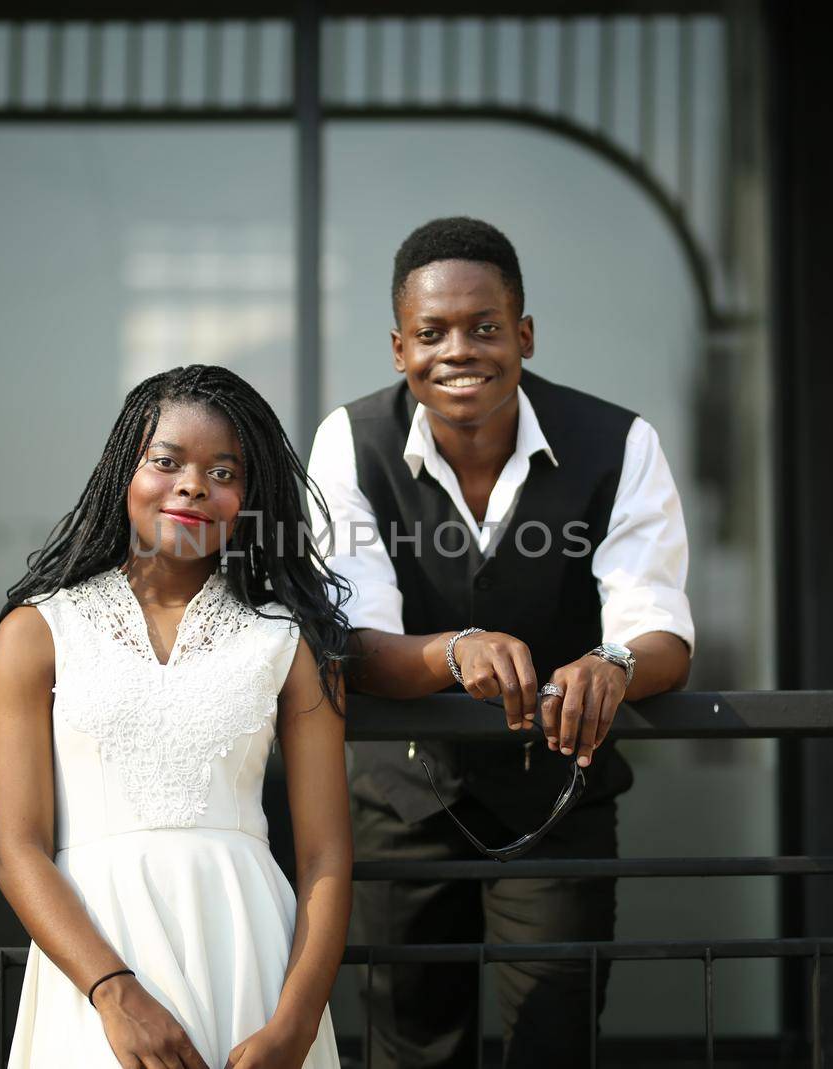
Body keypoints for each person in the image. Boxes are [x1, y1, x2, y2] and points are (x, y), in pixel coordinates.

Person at [306, 217, 695, 1068]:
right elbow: (352, 642)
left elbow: (661, 628)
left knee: (555, 1043)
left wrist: (614, 663)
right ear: (399, 346)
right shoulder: (348, 443)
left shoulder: (620, 444)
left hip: (557, 799)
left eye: (485, 327)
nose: (460, 350)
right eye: (433, 332)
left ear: (523, 333)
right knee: (408, 1050)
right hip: (399, 800)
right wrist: (454, 650)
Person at [0, 364, 352, 1068]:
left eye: (224, 471)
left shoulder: (287, 640)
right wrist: (113, 991)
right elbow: (18, 848)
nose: (193, 484)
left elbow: (325, 856)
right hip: (91, 964)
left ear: (250, 498)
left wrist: (296, 1023)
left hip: (251, 961)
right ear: (125, 470)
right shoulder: (38, 632)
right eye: (167, 461)